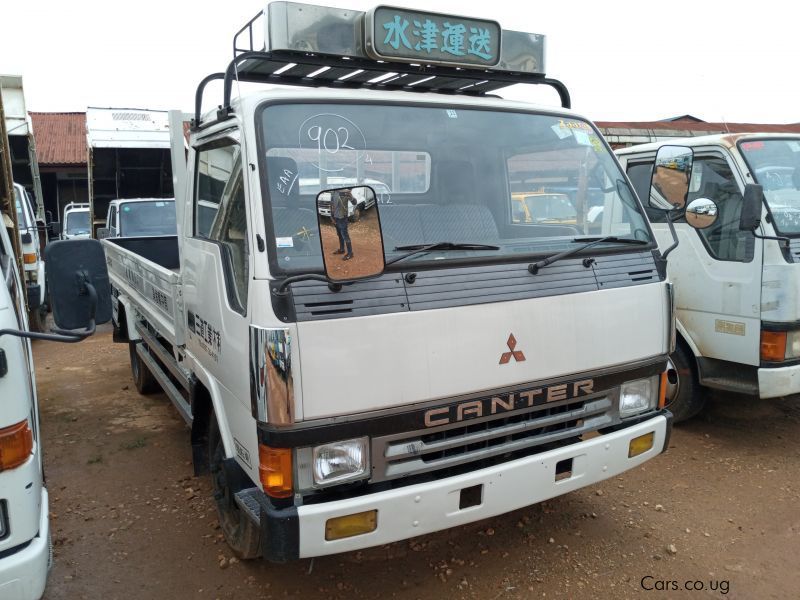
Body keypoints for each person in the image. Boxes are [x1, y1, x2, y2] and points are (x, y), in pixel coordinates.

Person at [330, 188, 357, 260]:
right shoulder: (333, 192)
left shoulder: (345, 192)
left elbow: (354, 202)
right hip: (335, 218)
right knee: (339, 234)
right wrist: (331, 217)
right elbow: (331, 204)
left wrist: (351, 196)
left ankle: (350, 253)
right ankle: (342, 249)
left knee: (345, 235)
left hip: (343, 218)